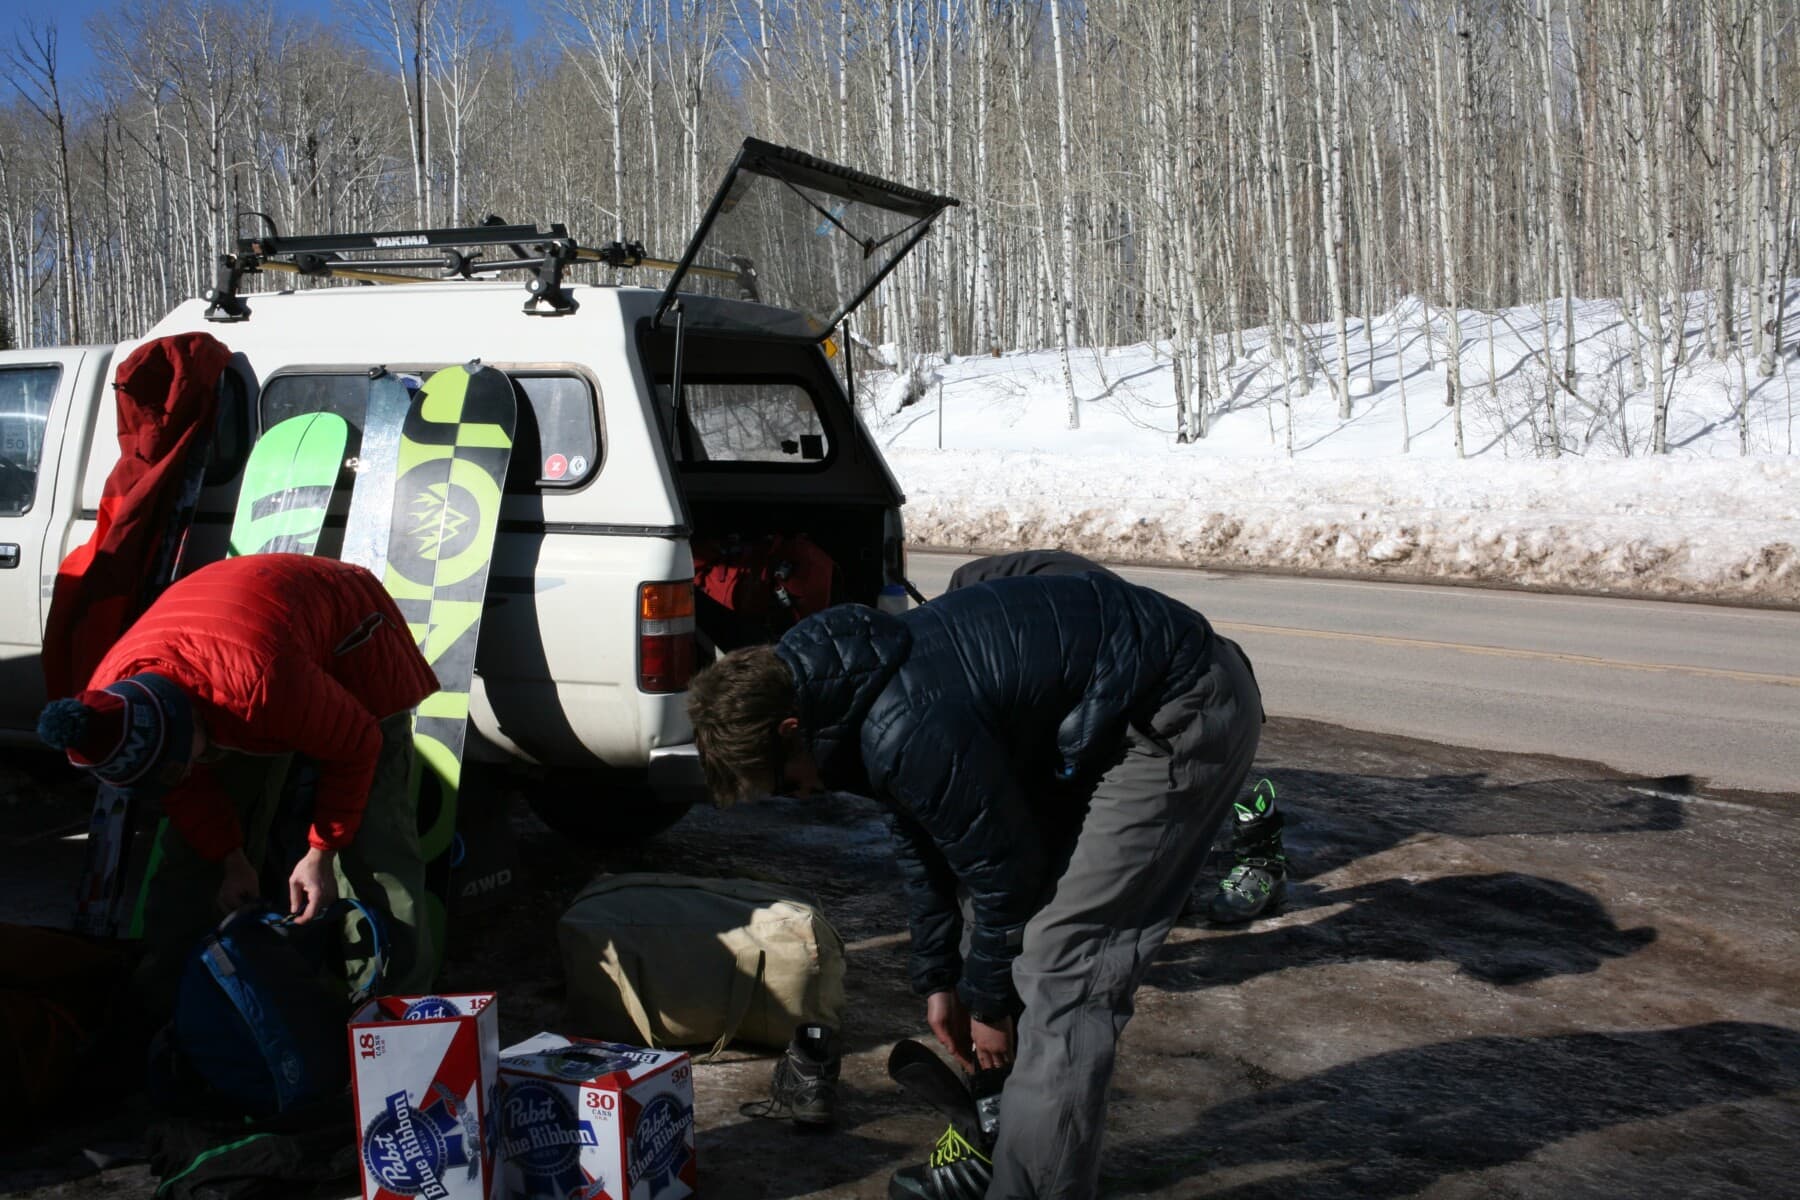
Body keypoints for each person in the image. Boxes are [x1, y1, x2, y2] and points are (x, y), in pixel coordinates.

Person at [687, 567, 1263, 1199]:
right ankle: (1005, 1138)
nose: (803, 794)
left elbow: (1004, 872)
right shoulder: (846, 688)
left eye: (788, 782)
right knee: (992, 938)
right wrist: (939, 981)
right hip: (1106, 715)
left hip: (1178, 710)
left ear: (789, 730)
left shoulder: (901, 722)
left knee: (1064, 968)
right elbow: (927, 841)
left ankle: (1031, 1186)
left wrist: (987, 1007)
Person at [36, 553, 440, 1013]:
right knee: (195, 858)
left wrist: (320, 853)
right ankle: (173, 1007)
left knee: (374, 846)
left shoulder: (261, 687)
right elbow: (185, 790)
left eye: (180, 764)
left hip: (350, 625)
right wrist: (230, 859)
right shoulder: (110, 703)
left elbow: (357, 745)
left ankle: (393, 1014)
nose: (184, 777)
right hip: (238, 645)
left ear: (187, 722)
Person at [945, 550, 1288, 924]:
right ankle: (1159, 876)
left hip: (1181, 693)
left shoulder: (1050, 618)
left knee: (1158, 780)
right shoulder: (1030, 598)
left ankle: (1260, 857)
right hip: (1177, 681)